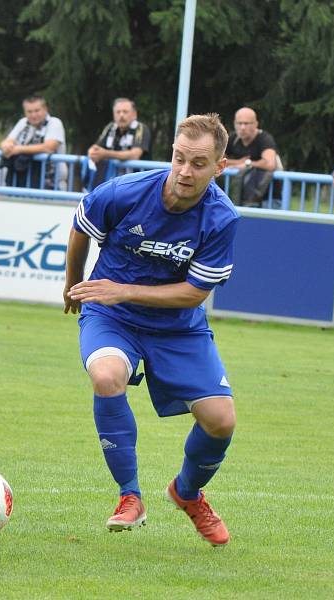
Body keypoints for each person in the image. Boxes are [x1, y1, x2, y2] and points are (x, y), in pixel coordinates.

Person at [63, 113, 238, 546]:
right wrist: (72, 284)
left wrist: (122, 289)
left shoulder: (221, 218)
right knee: (106, 376)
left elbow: (194, 293)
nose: (184, 170)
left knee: (221, 421)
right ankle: (130, 497)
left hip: (178, 327)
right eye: (180, 158)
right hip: (112, 317)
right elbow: (81, 227)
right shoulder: (124, 192)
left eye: (199, 163)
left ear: (219, 167)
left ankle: (187, 493)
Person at [0, 95, 66, 190]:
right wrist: (6, 146)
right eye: (29, 112)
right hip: (22, 182)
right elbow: (7, 141)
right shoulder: (23, 122)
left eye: (37, 111)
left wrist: (18, 149)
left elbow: (49, 147)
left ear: (45, 109)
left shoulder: (54, 123)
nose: (33, 115)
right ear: (24, 112)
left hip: (50, 183)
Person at [86, 98, 150, 190]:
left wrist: (105, 154)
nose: (121, 115)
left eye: (125, 112)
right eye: (118, 112)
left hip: (137, 183)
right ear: (113, 114)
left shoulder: (141, 129)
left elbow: (135, 155)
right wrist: (92, 152)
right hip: (113, 182)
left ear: (134, 114)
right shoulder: (110, 127)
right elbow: (96, 147)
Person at [224, 107, 280, 207]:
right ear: (234, 123)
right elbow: (216, 161)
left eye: (246, 123)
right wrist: (239, 163)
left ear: (255, 124)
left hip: (268, 197)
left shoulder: (265, 139)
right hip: (242, 196)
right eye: (239, 123)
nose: (242, 127)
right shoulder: (232, 138)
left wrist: (247, 163)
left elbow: (270, 164)